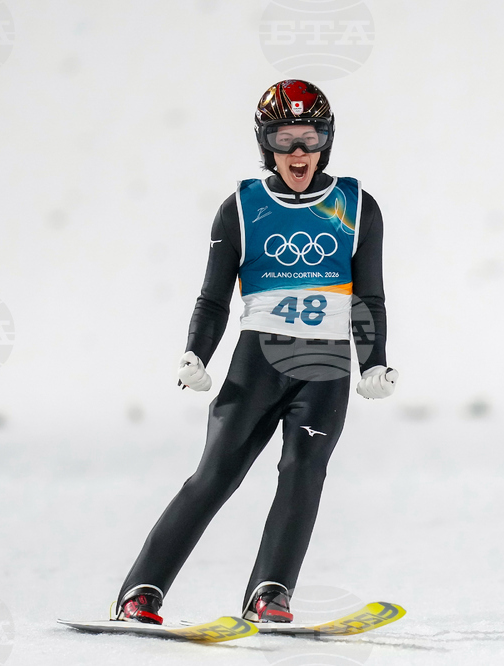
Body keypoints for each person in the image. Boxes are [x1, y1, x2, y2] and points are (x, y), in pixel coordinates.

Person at [114, 79, 398, 625]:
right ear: (265, 143)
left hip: (324, 366)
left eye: (309, 138)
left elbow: (369, 296)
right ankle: (141, 590)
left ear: (326, 142)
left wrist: (374, 359)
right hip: (258, 360)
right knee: (216, 473)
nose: (298, 153)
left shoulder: (358, 206)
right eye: (284, 138)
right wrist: (197, 353)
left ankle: (271, 591)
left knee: (303, 471)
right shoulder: (242, 206)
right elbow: (214, 297)